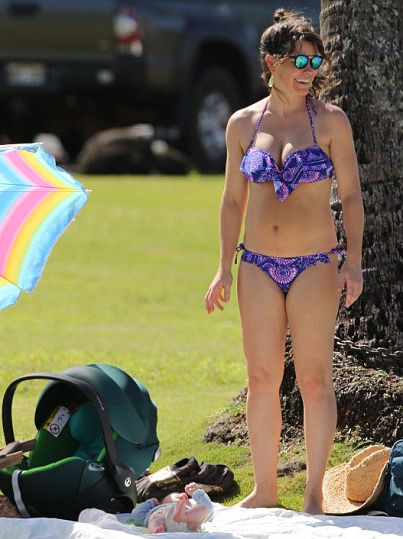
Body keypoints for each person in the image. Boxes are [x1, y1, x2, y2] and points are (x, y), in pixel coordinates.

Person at [204, 9, 363, 515]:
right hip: (256, 266)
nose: (309, 68)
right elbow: (232, 202)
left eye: (316, 60)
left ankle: (314, 494)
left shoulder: (333, 121)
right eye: (299, 59)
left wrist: (353, 261)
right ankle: (266, 490)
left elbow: (353, 198)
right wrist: (223, 266)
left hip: (316, 262)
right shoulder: (242, 124)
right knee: (261, 378)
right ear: (271, 62)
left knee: (314, 378)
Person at [120, 482, 214, 533]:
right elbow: (137, 514)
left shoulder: (189, 508)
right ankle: (156, 530)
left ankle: (184, 515)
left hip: (187, 524)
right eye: (177, 496)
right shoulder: (157, 509)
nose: (182, 496)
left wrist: (195, 493)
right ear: (162, 502)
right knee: (154, 518)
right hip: (165, 523)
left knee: (205, 509)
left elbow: (209, 516)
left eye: (185, 498)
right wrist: (152, 502)